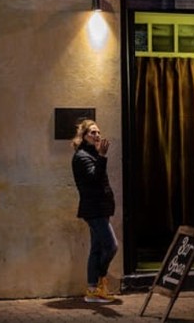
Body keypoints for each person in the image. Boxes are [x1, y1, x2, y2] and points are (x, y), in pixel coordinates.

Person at [71, 119, 118, 304]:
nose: (97, 135)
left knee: (96, 249)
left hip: (101, 208)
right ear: (83, 136)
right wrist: (103, 156)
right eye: (92, 132)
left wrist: (100, 156)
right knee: (111, 246)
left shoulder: (92, 154)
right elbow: (94, 179)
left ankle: (92, 290)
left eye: (98, 132)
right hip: (94, 210)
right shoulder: (82, 156)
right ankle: (100, 278)